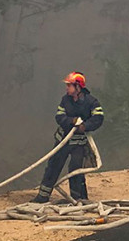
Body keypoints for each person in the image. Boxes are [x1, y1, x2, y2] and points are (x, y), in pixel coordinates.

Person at [33, 72, 104, 204]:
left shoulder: (91, 102)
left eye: (69, 85)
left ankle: (78, 199)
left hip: (79, 143)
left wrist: (85, 126)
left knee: (76, 170)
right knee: (53, 167)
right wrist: (71, 120)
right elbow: (59, 116)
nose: (66, 88)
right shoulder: (65, 100)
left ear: (78, 87)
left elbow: (98, 118)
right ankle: (42, 197)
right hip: (63, 141)